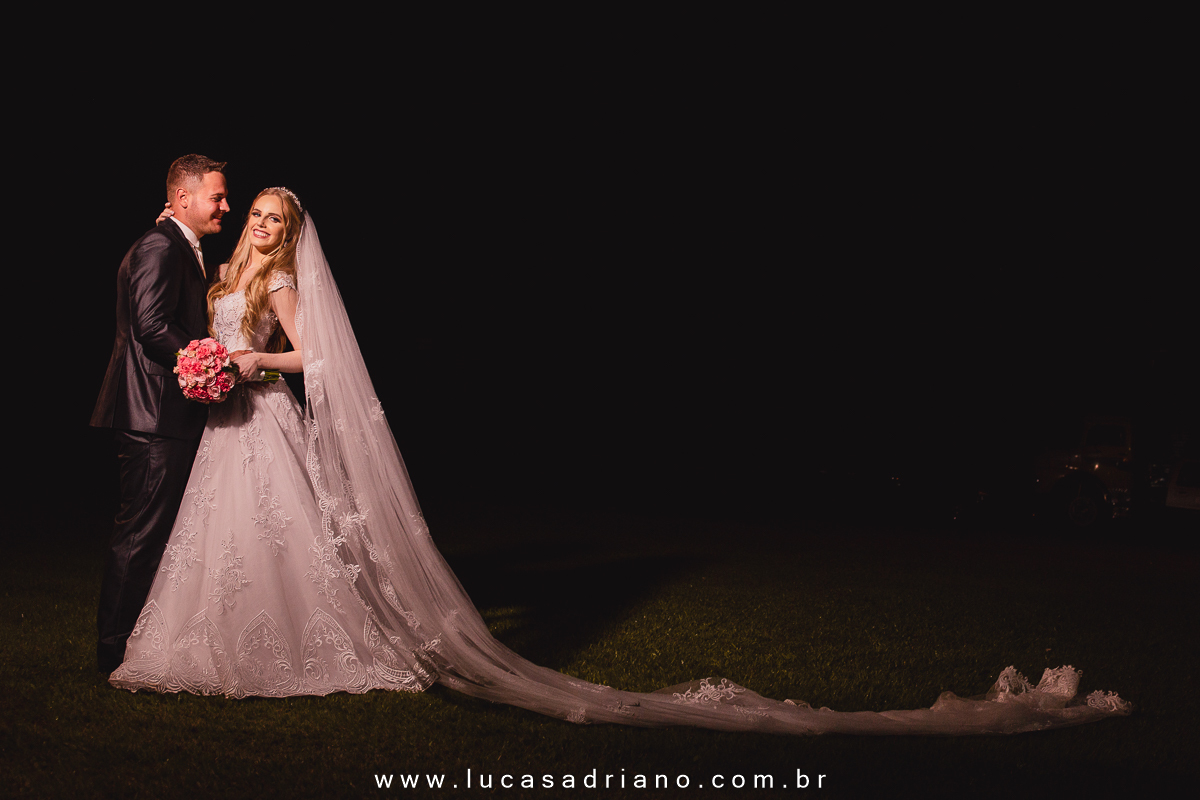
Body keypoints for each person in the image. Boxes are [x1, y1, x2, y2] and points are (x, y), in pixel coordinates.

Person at [109, 186, 1132, 734]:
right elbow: (196, 331)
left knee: (282, 545)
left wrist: (250, 360)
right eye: (256, 213)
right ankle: (207, 645)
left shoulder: (281, 283)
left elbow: (316, 360)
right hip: (226, 432)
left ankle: (291, 650)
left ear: (292, 233)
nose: (261, 224)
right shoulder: (221, 270)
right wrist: (210, 363)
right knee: (219, 545)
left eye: (276, 219)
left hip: (265, 419)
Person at [91, 155, 229, 674]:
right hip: (152, 413)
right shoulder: (160, 245)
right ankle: (114, 652)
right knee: (141, 536)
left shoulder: (179, 245)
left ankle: (140, 643)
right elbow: (150, 325)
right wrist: (208, 361)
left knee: (157, 533)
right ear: (182, 198)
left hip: (164, 413)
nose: (226, 206)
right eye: (217, 197)